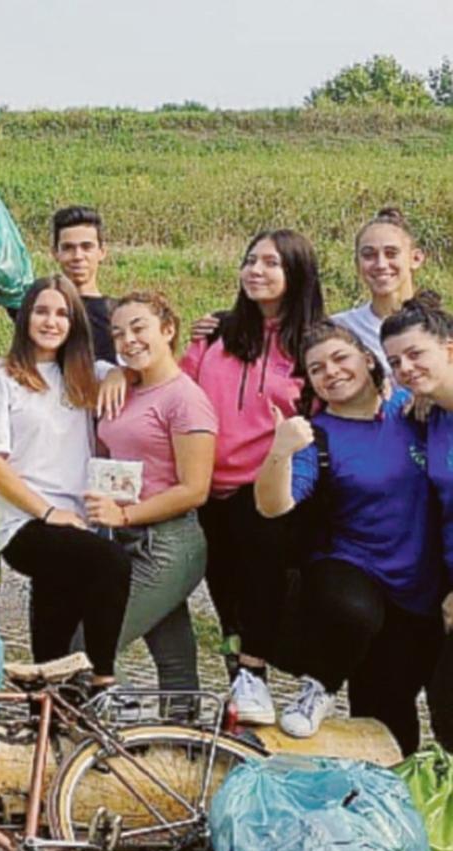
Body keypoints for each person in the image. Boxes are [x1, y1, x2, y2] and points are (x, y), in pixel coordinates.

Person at [254, 322, 439, 753]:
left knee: (409, 708)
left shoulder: (413, 409)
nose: (331, 372)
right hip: (354, 571)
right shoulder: (316, 435)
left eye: (341, 359)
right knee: (377, 712)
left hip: (422, 589)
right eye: (317, 369)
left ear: (369, 360)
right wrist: (280, 449)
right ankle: (320, 683)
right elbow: (274, 506)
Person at [181, 229, 321, 725]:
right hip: (207, 486)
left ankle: (257, 675)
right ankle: (240, 686)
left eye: (271, 263)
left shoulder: (311, 345)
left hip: (264, 488)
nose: (256, 271)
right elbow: (180, 390)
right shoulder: (215, 336)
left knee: (263, 580)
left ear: (296, 274)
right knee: (226, 596)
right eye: (250, 261)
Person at [0, 276, 131, 684]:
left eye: (62, 313)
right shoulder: (0, 379)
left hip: (74, 518)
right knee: (111, 563)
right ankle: (103, 679)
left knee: (54, 618)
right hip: (24, 522)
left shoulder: (85, 374)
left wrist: (118, 376)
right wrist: (47, 512)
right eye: (42, 311)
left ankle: (49, 706)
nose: (51, 321)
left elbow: (137, 370)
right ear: (25, 317)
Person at [88, 293, 214, 698]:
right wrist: (117, 375)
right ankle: (185, 744)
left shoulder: (185, 398)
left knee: (89, 644)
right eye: (119, 333)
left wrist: (125, 516)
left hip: (167, 542)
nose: (128, 341)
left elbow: (195, 489)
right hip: (123, 538)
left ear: (168, 330)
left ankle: (99, 741)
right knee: (173, 658)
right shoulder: (125, 388)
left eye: (139, 328)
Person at [0, 138, 118, 362]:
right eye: (68, 248)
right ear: (55, 253)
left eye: (87, 247)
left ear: (102, 252)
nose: (78, 256)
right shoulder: (34, 302)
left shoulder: (117, 314)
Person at [381, 293, 453, 746]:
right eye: (395, 361)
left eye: (415, 354)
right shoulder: (432, 413)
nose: (405, 368)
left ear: (448, 349)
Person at [332, 208, 426, 380]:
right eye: (369, 255)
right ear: (357, 263)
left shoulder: (439, 327)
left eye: (391, 254)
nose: (381, 264)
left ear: (415, 259)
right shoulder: (340, 329)